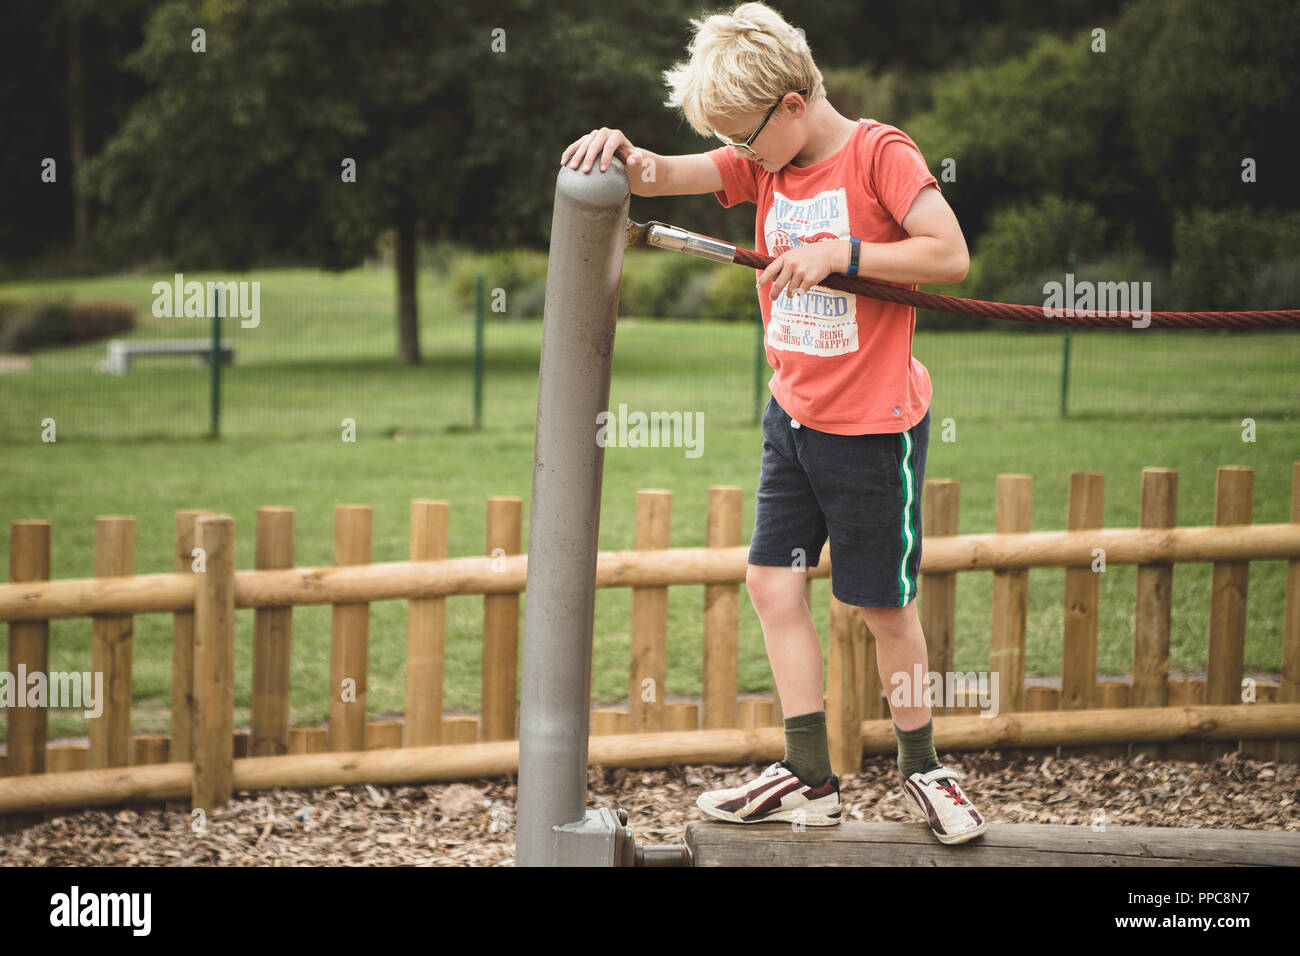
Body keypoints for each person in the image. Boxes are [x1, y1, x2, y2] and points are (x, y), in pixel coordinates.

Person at [560, 1, 987, 845]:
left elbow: (949, 255)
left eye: (744, 137)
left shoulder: (878, 154)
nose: (737, 155)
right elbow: (662, 175)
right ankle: (809, 775)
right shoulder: (764, 165)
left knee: (882, 607)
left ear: (793, 102)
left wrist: (844, 254)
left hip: (873, 431)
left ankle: (924, 766)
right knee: (771, 583)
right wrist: (624, 153)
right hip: (792, 420)